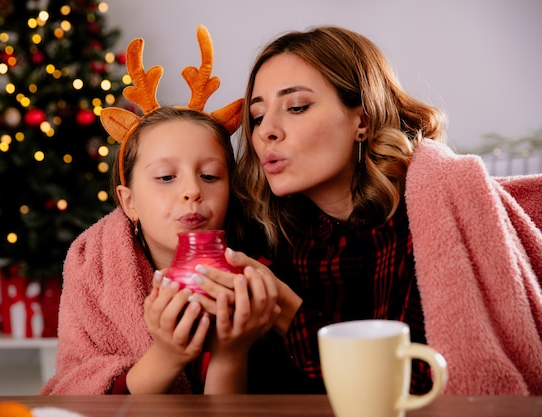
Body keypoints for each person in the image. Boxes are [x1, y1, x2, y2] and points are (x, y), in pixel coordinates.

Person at [196, 25, 542, 395]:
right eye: (259, 116)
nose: (267, 131)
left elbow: (419, 390)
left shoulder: (427, 222)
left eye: (296, 107)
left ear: (361, 120)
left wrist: (286, 311)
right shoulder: (263, 238)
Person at [39, 26, 280, 395]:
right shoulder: (94, 266)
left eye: (211, 176)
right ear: (129, 201)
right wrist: (166, 357)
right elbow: (75, 387)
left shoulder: (260, 264)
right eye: (166, 177)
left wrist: (231, 352)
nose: (191, 192)